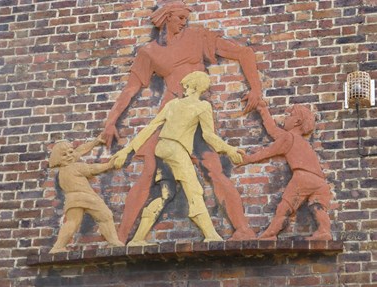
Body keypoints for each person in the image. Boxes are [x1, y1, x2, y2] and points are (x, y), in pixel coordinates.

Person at [103, 0, 262, 243]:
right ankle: (120, 237)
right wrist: (110, 121)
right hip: (170, 111)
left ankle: (242, 229)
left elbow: (243, 53)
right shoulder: (150, 52)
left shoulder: (198, 37)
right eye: (179, 17)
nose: (184, 21)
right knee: (148, 173)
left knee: (213, 168)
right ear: (166, 17)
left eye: (185, 17)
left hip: (196, 112)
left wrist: (256, 89)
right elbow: (130, 89)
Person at [114, 71, 244, 245]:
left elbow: (151, 127)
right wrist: (229, 149)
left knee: (166, 193)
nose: (184, 87)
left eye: (187, 84)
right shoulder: (202, 106)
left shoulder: (173, 104)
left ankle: (137, 239)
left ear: (193, 85)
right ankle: (211, 235)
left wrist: (127, 150)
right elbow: (208, 136)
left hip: (162, 148)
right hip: (176, 149)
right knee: (195, 190)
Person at [240, 101, 333, 240]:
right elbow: (273, 130)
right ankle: (324, 231)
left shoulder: (288, 138)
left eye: (290, 115)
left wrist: (249, 159)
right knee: (317, 206)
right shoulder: (302, 142)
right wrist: (263, 109)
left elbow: (269, 149)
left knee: (284, 207)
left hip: (303, 178)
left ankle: (270, 234)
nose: (286, 118)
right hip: (320, 182)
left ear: (297, 121)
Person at [48, 137, 124, 253]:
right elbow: (92, 169)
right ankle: (113, 241)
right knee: (105, 216)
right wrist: (109, 165)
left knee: (72, 222)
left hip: (71, 199)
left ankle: (58, 247)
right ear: (58, 159)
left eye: (70, 152)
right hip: (86, 196)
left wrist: (95, 142)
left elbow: (80, 150)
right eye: (64, 155)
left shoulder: (63, 171)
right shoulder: (74, 166)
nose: (69, 155)